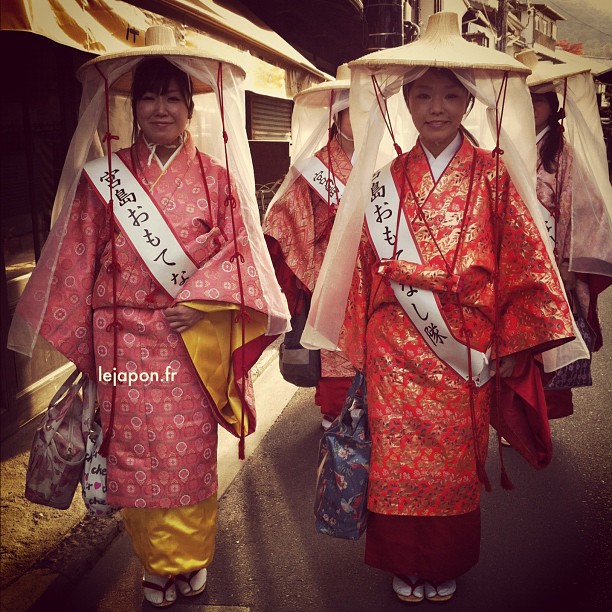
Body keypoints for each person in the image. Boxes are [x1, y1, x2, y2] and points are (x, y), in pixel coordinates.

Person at [302, 13, 582, 603]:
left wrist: (512, 344)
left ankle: (445, 558)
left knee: (453, 466)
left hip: (464, 352)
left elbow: (523, 264)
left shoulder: (495, 176)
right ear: (405, 101)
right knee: (398, 463)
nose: (436, 106)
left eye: (450, 94)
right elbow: (359, 271)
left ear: (467, 101)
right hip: (395, 353)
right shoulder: (383, 180)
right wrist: (357, 349)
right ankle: (403, 560)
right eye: (423, 94)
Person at [8, 26, 289, 607]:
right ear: (132, 106)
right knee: (134, 454)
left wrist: (203, 303)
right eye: (149, 97)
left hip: (189, 345)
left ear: (190, 109)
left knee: (184, 453)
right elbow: (77, 259)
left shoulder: (217, 179)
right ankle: (156, 564)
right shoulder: (105, 178)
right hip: (122, 345)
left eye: (172, 98)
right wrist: (87, 336)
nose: (161, 108)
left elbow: (243, 252)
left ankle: (190, 559)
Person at [516, 50, 612, 419]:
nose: (530, 106)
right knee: (512, 345)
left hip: (552, 264)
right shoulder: (503, 146)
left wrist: (571, 263)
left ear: (552, 106)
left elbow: (586, 211)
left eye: (537, 99)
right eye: (523, 98)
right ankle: (515, 414)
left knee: (546, 344)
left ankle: (537, 418)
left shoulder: (563, 154)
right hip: (512, 262)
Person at [263, 65, 356, 429]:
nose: (363, 119)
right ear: (338, 114)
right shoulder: (318, 166)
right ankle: (335, 417)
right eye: (354, 111)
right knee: (336, 358)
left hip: (377, 281)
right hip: (331, 280)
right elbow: (285, 218)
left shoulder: (388, 162)